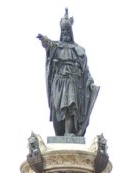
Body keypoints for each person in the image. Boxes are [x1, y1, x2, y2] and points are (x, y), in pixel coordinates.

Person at [36, 9, 98, 137]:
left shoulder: (78, 50)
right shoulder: (56, 47)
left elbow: (85, 70)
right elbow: (48, 45)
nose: (65, 33)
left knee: (70, 106)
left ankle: (68, 132)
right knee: (59, 107)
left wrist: (90, 82)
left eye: (67, 30)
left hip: (72, 82)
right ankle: (61, 132)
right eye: (63, 31)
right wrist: (44, 39)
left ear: (71, 32)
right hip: (58, 82)